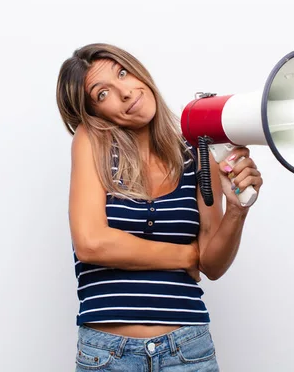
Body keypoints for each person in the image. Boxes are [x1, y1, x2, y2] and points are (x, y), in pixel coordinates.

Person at [56, 43, 263, 371]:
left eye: (122, 73)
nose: (125, 92)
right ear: (94, 113)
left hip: (187, 349)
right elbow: (91, 243)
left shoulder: (196, 149)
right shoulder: (91, 141)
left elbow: (211, 264)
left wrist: (237, 210)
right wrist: (184, 256)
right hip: (109, 355)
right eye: (102, 93)